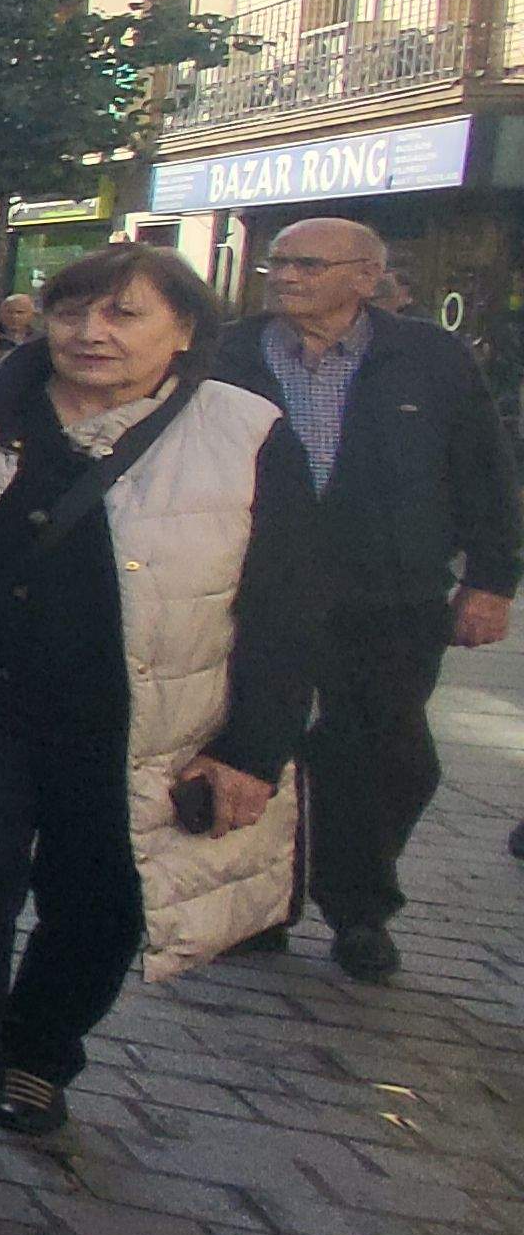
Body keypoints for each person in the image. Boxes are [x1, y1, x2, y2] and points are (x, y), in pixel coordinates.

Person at [0, 242, 311, 1161]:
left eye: (124, 314)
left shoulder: (245, 433)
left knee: (102, 900)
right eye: (71, 311)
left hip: (141, 721)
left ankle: (39, 1052)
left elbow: (287, 606)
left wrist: (253, 748)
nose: (91, 333)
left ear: (184, 330)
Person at [210, 215, 523, 981]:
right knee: (252, 743)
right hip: (255, 590)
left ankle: (359, 908)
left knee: (387, 756)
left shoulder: (430, 358)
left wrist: (492, 580)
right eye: (279, 263)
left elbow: (484, 472)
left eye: (309, 265)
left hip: (391, 596)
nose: (287, 277)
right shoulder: (228, 353)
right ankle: (259, 907)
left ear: (367, 276)